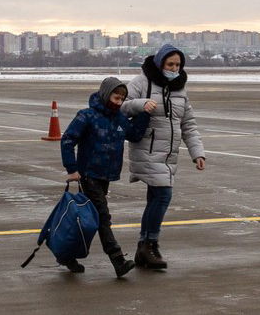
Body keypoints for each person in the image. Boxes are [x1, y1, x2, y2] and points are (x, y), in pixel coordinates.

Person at [122, 44, 205, 271]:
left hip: (169, 155)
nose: (174, 68)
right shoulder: (141, 82)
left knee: (155, 197)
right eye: (170, 64)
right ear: (160, 63)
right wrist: (141, 104)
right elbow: (121, 105)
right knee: (163, 195)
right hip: (147, 150)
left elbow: (188, 124)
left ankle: (144, 247)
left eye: (178, 65)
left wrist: (197, 152)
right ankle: (150, 244)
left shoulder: (180, 89)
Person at [58, 76, 150, 277]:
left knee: (89, 220)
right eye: (115, 98)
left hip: (106, 176)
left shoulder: (119, 119)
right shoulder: (87, 116)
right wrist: (72, 168)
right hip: (88, 174)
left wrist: (144, 114)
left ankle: (66, 255)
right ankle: (117, 260)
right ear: (106, 95)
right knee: (102, 216)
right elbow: (67, 140)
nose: (118, 103)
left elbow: (134, 135)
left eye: (121, 100)